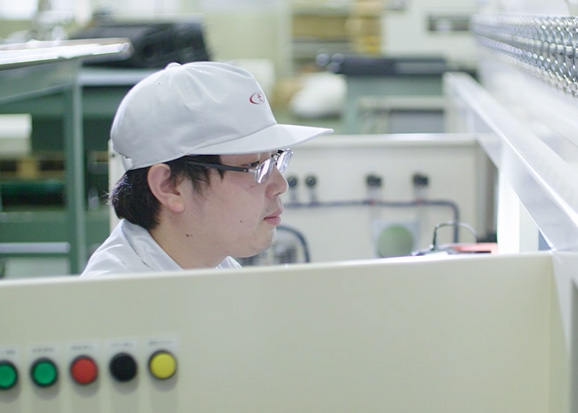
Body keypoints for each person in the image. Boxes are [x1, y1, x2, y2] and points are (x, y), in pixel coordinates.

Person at [80, 61, 333, 277]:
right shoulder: (114, 304)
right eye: (254, 166)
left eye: (275, 160)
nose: (280, 185)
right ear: (169, 186)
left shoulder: (210, 266)